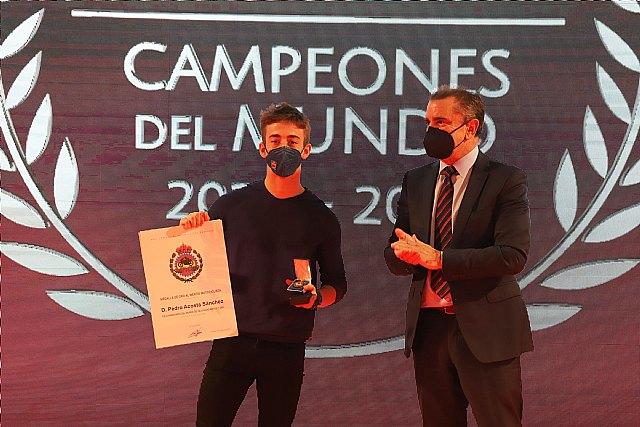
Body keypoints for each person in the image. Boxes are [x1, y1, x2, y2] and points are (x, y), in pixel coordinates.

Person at [181, 102, 347, 427]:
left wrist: (317, 297)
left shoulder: (321, 218)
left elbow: (337, 284)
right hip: (231, 341)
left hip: (286, 347)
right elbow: (195, 266)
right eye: (275, 141)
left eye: (292, 142)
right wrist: (189, 231)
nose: (284, 148)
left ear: (306, 150)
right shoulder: (229, 206)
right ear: (262, 148)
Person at [384, 86, 533, 427]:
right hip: (429, 330)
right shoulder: (416, 180)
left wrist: (440, 260)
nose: (430, 131)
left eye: (440, 122)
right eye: (427, 123)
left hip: (486, 328)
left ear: (470, 127)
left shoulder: (505, 179)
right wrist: (401, 255)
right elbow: (396, 248)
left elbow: (512, 256)